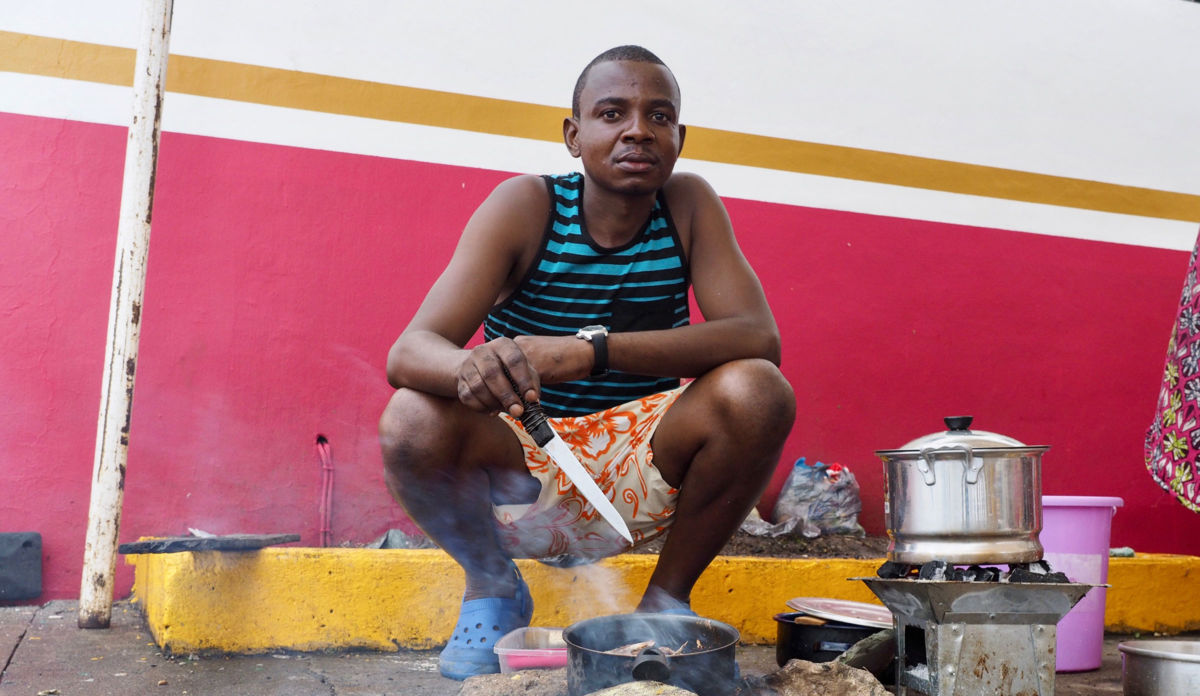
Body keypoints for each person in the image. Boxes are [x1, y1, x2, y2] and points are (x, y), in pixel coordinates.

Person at [378, 45, 796, 680]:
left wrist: (589, 352)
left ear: (679, 138)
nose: (637, 129)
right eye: (611, 112)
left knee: (758, 389)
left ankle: (665, 604)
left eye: (659, 116)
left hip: (642, 467)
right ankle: (492, 587)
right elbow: (410, 351)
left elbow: (758, 339)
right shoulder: (527, 205)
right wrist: (481, 367)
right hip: (520, 470)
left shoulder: (686, 206)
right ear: (574, 136)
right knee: (410, 417)